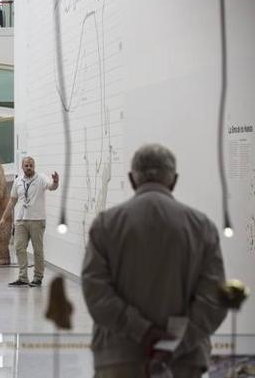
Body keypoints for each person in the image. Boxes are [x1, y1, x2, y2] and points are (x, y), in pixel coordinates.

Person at [81, 144, 227, 378]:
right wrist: (173, 344)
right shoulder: (202, 227)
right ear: (174, 180)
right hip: (182, 362)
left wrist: (144, 331)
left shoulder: (106, 225)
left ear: (131, 179)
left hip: (119, 358)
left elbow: (96, 294)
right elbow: (214, 300)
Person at [0, 157, 59, 287]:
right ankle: (23, 277)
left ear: (34, 166)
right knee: (19, 248)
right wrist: (4, 217)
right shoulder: (18, 181)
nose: (29, 167)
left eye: (31, 165)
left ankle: (38, 278)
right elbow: (12, 201)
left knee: (38, 250)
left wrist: (55, 182)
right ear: (22, 167)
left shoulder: (41, 178)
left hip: (37, 220)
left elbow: (51, 187)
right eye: (26, 165)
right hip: (20, 220)